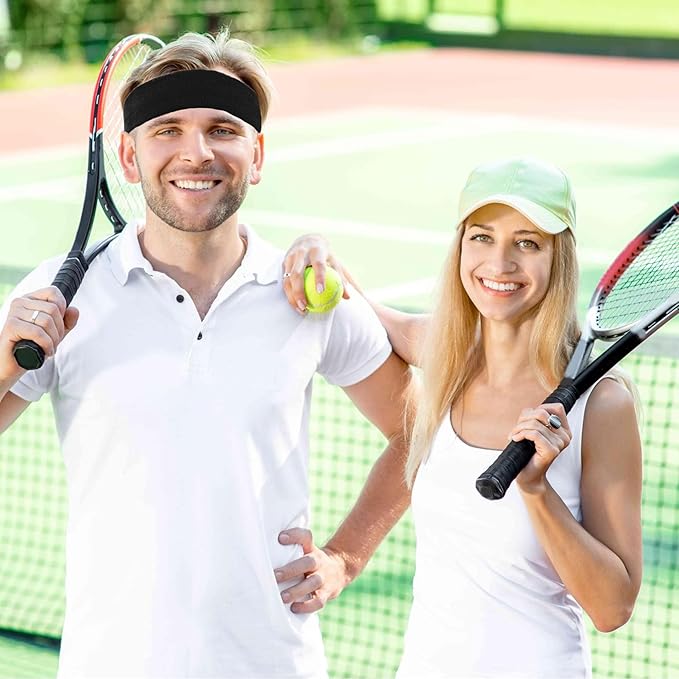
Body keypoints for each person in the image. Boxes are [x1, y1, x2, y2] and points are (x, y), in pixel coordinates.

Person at [0, 29, 415, 678]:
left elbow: (419, 427)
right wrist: (4, 362)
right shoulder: (59, 295)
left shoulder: (306, 291)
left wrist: (346, 556)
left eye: (222, 129)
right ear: (129, 157)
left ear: (257, 154)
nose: (196, 152)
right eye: (167, 130)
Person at [276, 158, 643, 678]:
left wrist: (536, 490)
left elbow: (612, 608)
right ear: (461, 247)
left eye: (527, 243)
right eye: (482, 237)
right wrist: (316, 248)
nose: (500, 263)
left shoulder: (602, 405)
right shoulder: (446, 355)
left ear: (559, 258)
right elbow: (361, 306)